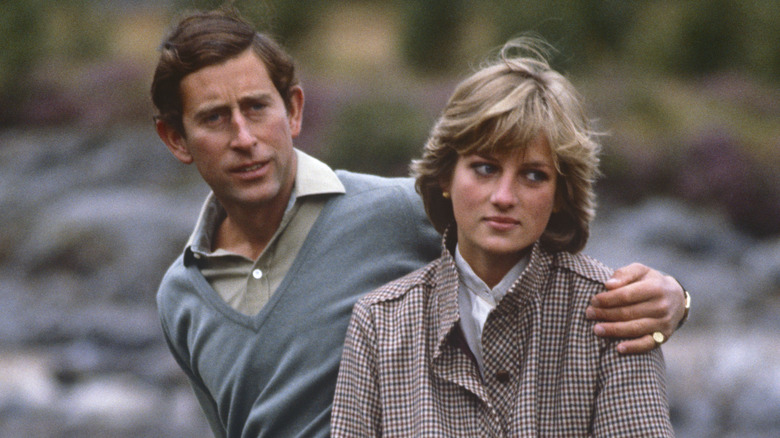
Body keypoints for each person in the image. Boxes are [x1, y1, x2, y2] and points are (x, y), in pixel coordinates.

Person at [151, 8, 687, 438]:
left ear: (293, 110)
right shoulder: (180, 297)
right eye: (214, 118)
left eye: (256, 107)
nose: (243, 138)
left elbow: (554, 255)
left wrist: (675, 297)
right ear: (177, 139)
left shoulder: (402, 208)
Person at [331, 38, 674, 436]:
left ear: (561, 193)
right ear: (446, 175)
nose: (504, 197)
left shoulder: (614, 314)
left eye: (533, 175)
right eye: (484, 168)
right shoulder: (380, 324)